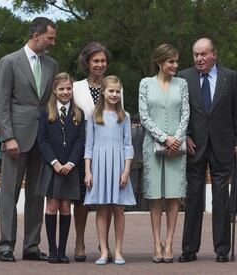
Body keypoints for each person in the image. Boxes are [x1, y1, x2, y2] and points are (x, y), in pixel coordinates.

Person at [0, 17, 58, 262]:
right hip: (16, 140)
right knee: (10, 193)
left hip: (42, 141)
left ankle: (31, 246)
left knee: (36, 194)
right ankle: (6, 247)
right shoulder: (9, 62)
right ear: (36, 35)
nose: (52, 42)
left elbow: (50, 103)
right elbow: (1, 104)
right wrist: (8, 136)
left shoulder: (52, 64)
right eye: (50, 38)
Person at [178, 38, 237, 263]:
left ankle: (222, 249)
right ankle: (189, 249)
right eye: (196, 54)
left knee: (221, 198)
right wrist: (184, 134)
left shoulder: (230, 77)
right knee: (193, 198)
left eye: (203, 54)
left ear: (214, 55)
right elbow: (180, 111)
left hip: (222, 146)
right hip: (194, 146)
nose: (199, 59)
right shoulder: (184, 77)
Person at [138, 44, 189, 263]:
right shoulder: (145, 84)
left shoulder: (183, 84)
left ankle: (169, 243)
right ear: (160, 62)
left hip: (177, 148)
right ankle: (156, 242)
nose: (175, 65)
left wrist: (176, 139)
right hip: (153, 146)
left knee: (173, 195)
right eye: (171, 61)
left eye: (177, 61)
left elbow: (185, 113)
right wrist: (164, 138)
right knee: (156, 197)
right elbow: (144, 116)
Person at [84, 75, 136, 265]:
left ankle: (119, 251)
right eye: (111, 91)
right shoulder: (93, 116)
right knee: (102, 209)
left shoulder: (125, 116)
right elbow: (88, 146)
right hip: (99, 167)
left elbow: (128, 145)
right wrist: (88, 172)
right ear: (103, 92)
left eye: (117, 91)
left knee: (119, 209)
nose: (114, 94)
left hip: (118, 167)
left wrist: (126, 170)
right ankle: (104, 251)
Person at [72, 42, 116, 262]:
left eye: (103, 60)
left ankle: (104, 244)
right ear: (87, 63)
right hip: (83, 150)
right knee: (82, 199)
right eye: (96, 60)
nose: (100, 64)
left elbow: (119, 116)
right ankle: (79, 242)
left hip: (108, 151)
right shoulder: (76, 87)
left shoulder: (114, 85)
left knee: (105, 200)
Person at [36, 73, 85, 264]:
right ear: (55, 91)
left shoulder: (78, 113)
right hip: (52, 166)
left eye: (68, 88)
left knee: (65, 207)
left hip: (70, 168)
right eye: (61, 89)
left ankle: (63, 251)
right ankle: (53, 251)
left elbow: (80, 141)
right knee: (52, 205)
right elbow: (42, 140)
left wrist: (71, 163)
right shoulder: (45, 112)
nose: (65, 92)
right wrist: (55, 162)